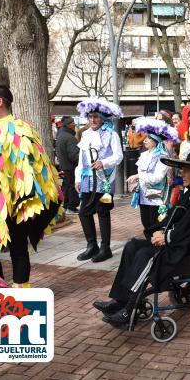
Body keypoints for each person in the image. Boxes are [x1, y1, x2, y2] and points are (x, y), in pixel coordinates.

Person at [93, 151, 190, 327]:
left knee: (145, 255)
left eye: (185, 170)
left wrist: (167, 237)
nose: (181, 173)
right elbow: (175, 217)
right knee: (132, 246)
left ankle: (129, 310)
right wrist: (159, 231)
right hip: (179, 243)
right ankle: (120, 300)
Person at [0, 83, 62, 287]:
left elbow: (36, 166)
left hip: (15, 203)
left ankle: (18, 293)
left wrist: (26, 200)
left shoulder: (21, 129)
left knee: (18, 248)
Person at [75, 97, 124, 263]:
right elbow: (81, 160)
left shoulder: (111, 134)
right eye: (90, 117)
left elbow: (118, 156)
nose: (92, 120)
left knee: (103, 212)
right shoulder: (85, 135)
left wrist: (104, 162)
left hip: (104, 180)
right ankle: (91, 245)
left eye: (96, 117)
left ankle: (105, 248)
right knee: (83, 212)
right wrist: (77, 178)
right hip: (87, 180)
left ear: (102, 118)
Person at [127, 118, 179, 232]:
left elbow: (157, 178)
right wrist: (135, 183)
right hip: (143, 197)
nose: (145, 140)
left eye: (149, 138)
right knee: (146, 226)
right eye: (146, 137)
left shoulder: (162, 156)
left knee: (155, 227)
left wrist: (138, 176)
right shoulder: (144, 155)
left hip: (156, 199)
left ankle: (157, 249)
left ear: (156, 141)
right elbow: (142, 174)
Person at [56, 116, 81, 215]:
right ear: (70, 126)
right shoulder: (69, 137)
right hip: (71, 167)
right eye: (73, 124)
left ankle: (66, 206)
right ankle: (71, 206)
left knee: (66, 186)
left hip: (65, 166)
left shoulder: (61, 136)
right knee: (71, 187)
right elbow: (74, 155)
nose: (75, 126)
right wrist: (81, 162)